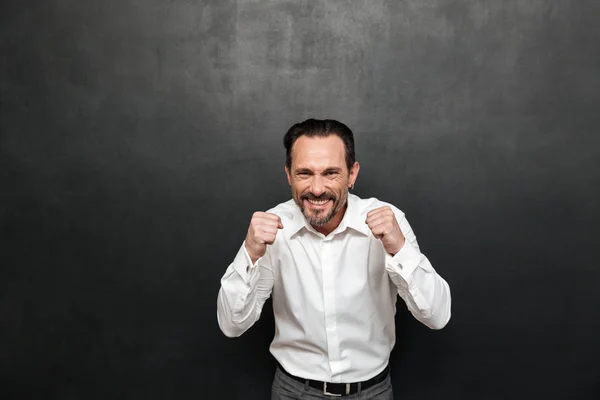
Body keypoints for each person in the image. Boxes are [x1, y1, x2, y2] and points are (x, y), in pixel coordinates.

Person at [217, 119, 451, 399]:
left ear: (352, 175)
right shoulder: (272, 229)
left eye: (330, 173)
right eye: (304, 173)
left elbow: (437, 316)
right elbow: (231, 325)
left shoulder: (389, 221)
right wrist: (250, 252)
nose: (317, 189)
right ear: (289, 175)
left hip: (372, 392)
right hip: (294, 391)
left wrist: (399, 248)